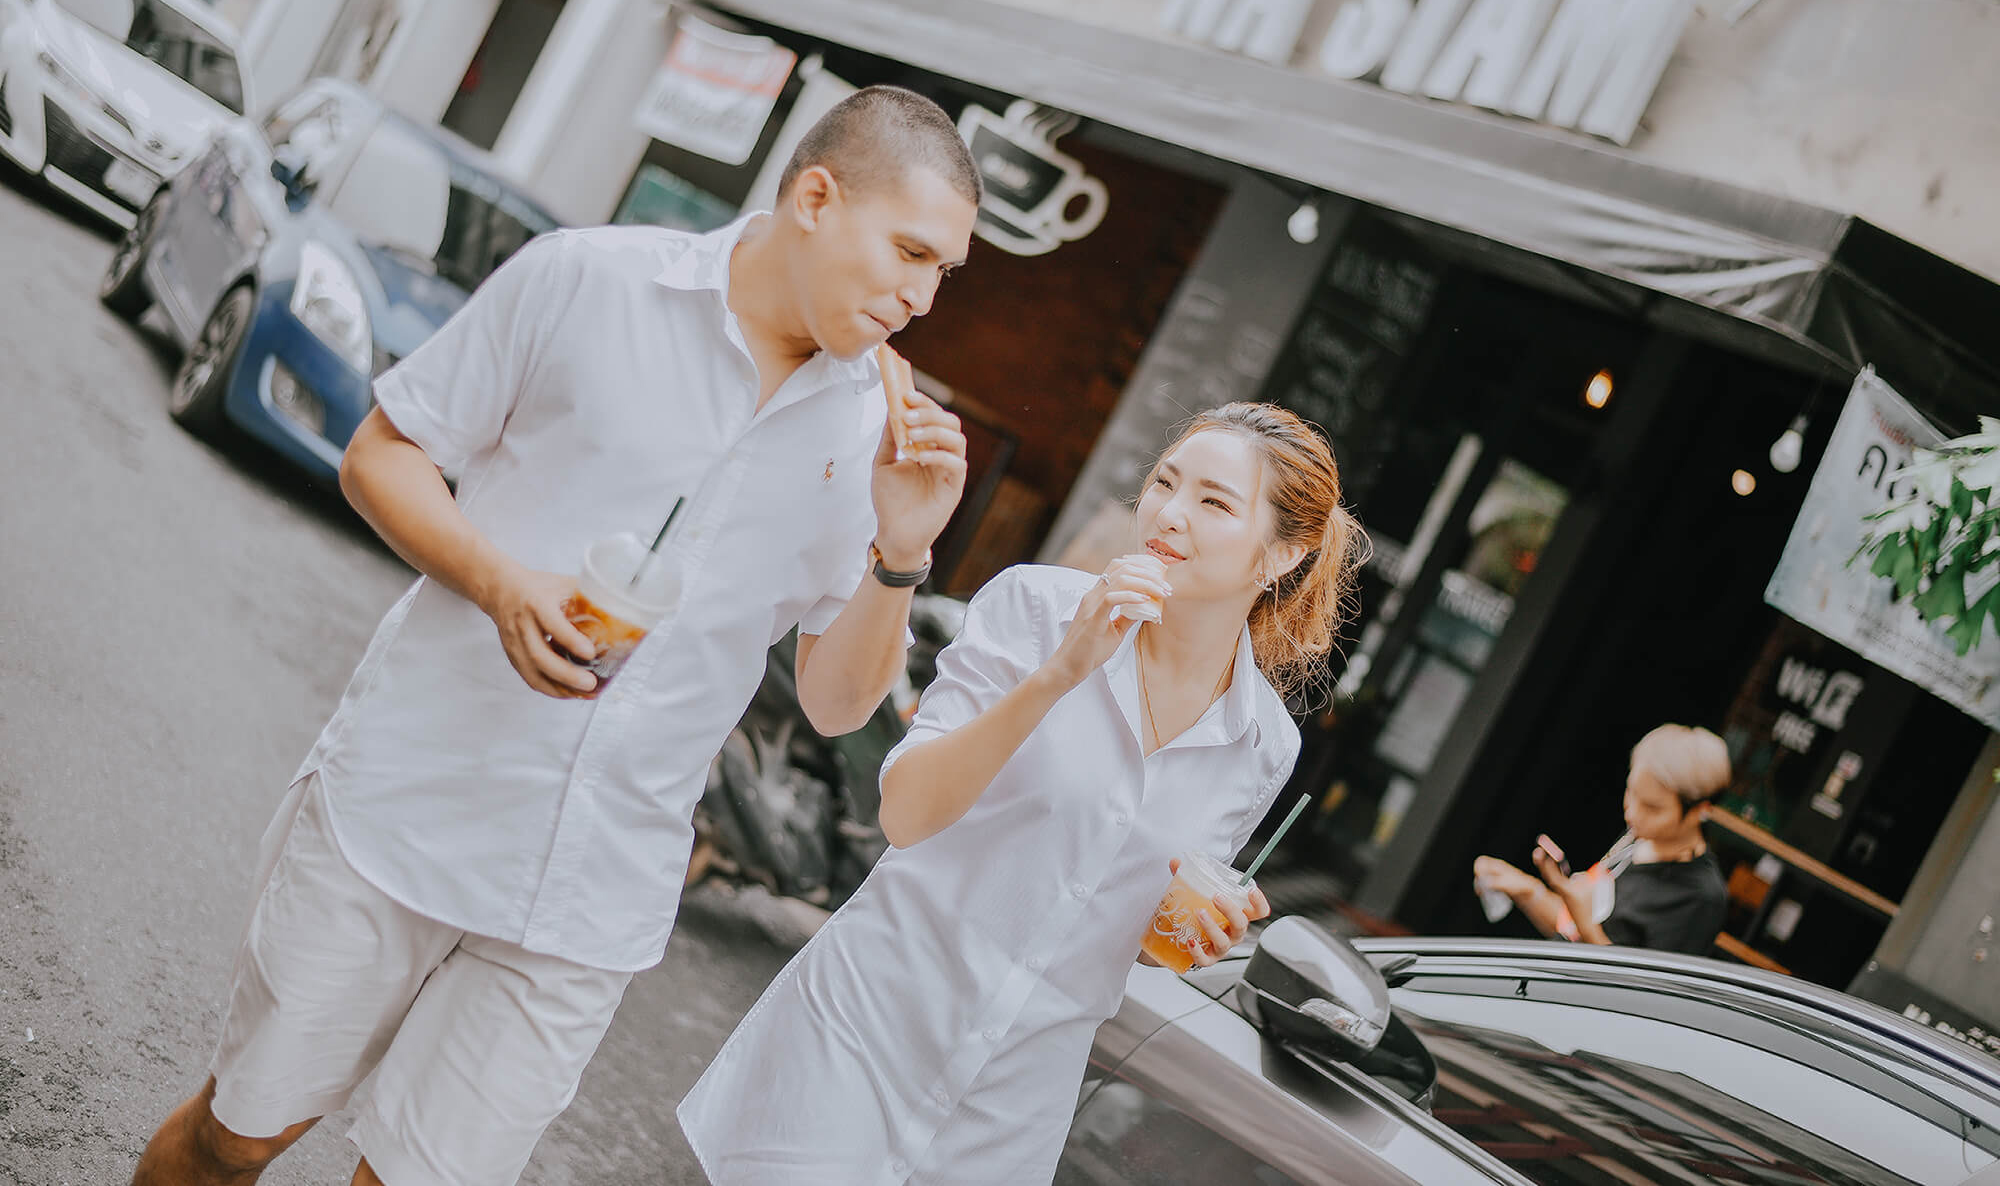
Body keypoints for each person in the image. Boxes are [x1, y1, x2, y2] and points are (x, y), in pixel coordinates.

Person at [131, 86, 982, 1186]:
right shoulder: (587, 277)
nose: (919, 297)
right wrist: (497, 582)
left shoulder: (876, 436)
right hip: (409, 811)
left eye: (940, 274)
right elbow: (380, 455)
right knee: (236, 1136)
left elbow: (832, 702)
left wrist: (900, 550)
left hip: (593, 897)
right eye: (909, 252)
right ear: (816, 197)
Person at [679, 402, 1362, 1185]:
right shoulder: (1035, 610)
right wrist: (1061, 672)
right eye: (1166, 482)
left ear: (1281, 555)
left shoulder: (1262, 742)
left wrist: (1197, 934)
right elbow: (904, 813)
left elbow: (1122, 914)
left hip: (1011, 1106)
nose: (1170, 514)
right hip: (870, 1028)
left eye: (1214, 502)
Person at [1473, 724, 1732, 956]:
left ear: (1700, 810)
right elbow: (1572, 933)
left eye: (1652, 808)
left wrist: (1586, 924)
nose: (1632, 813)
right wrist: (1527, 890)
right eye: (1631, 792)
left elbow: (1643, 993)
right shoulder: (1636, 840)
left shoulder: (1701, 896)